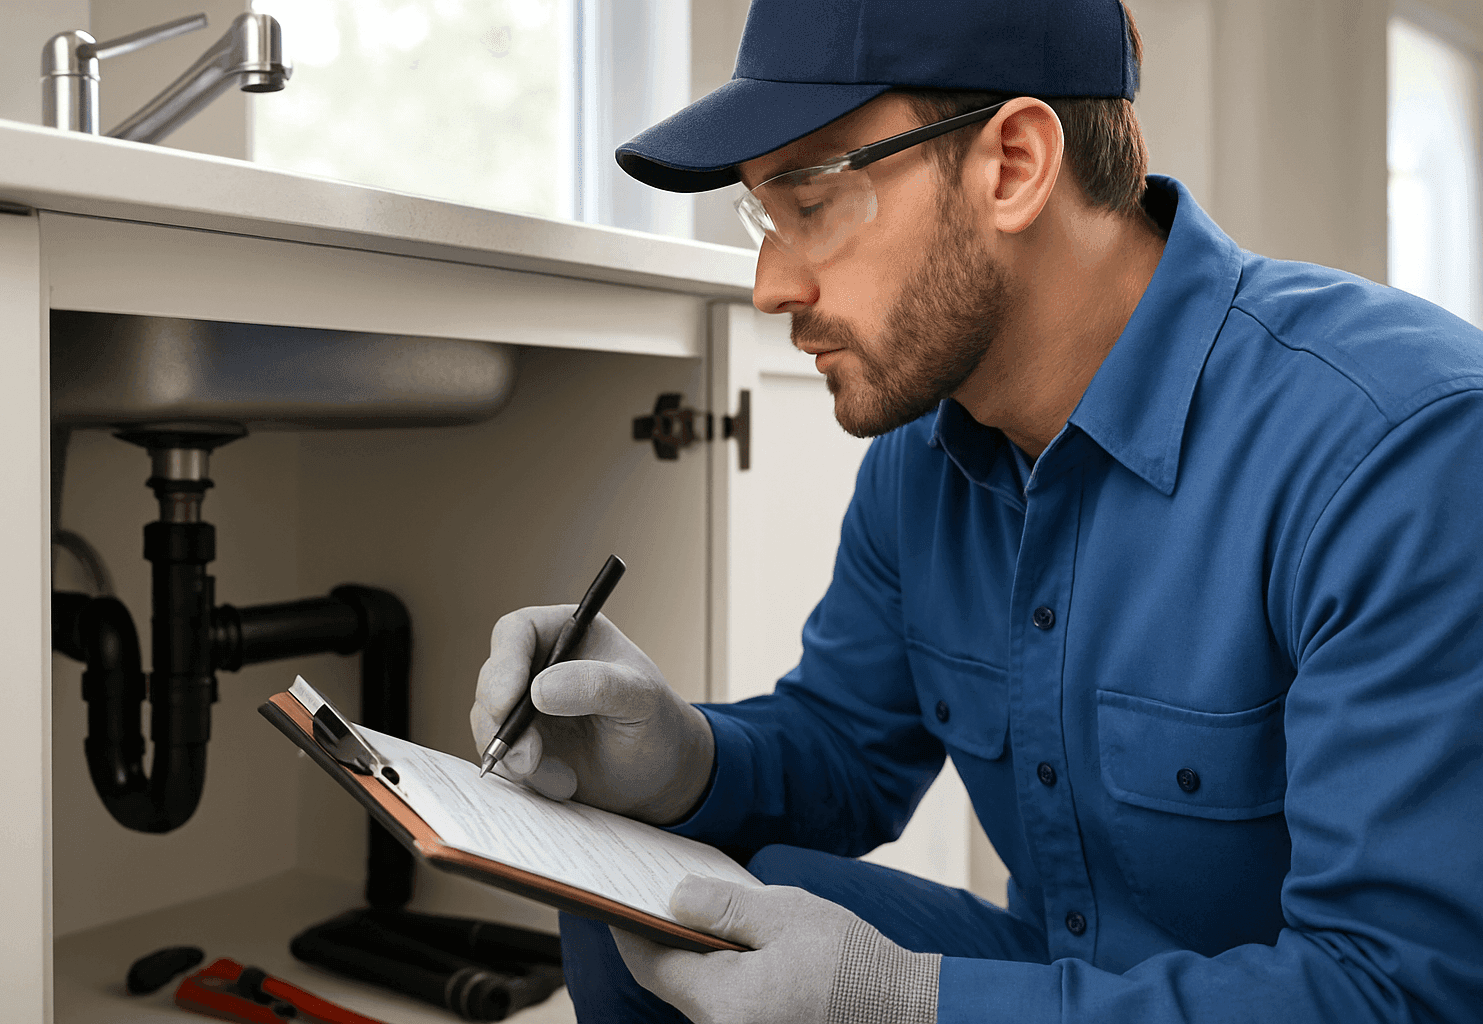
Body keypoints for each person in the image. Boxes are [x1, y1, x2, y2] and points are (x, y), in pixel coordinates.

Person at [469, 1, 1483, 1021]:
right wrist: (684, 757)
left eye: (811, 201)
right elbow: (849, 748)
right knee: (644, 906)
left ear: (1013, 165)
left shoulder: (1401, 449)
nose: (771, 285)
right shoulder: (928, 449)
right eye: (761, 217)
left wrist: (905, 1001)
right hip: (1063, 974)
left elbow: (1402, 991)